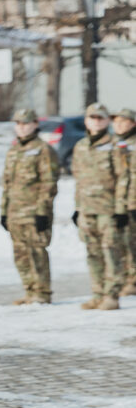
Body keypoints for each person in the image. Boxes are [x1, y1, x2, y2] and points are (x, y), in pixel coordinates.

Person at [71, 102, 130, 311]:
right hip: (87, 209)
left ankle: (111, 295)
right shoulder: (80, 146)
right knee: (92, 252)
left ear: (107, 121)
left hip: (109, 209)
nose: (96, 121)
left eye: (100, 118)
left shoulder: (117, 145)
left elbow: (124, 178)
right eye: (92, 118)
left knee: (111, 252)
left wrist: (121, 209)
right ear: (86, 121)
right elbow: (79, 179)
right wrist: (77, 208)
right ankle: (97, 293)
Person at [0, 108, 59, 304]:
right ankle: (29, 290)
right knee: (20, 254)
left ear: (35, 124)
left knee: (37, 252)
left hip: (35, 212)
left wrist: (42, 211)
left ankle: (42, 293)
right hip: (15, 212)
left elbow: (49, 182)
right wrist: (3, 211)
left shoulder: (43, 149)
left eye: (26, 123)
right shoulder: (14, 150)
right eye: (18, 124)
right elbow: (7, 184)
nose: (22, 127)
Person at [113, 108, 136, 296]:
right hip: (116, 202)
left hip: (132, 202)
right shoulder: (115, 145)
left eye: (123, 121)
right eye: (116, 121)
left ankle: (133, 281)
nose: (118, 125)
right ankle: (126, 278)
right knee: (122, 242)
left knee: (131, 242)